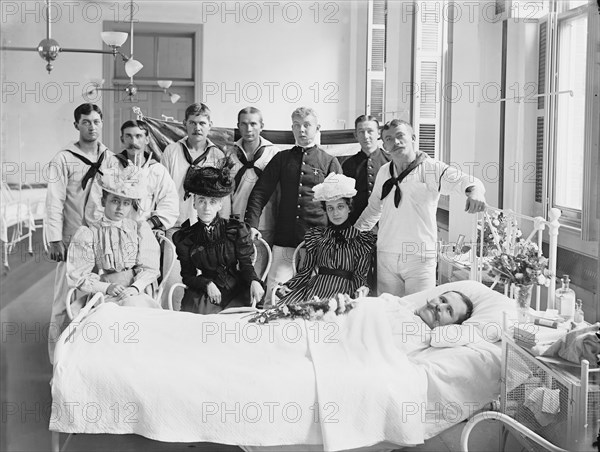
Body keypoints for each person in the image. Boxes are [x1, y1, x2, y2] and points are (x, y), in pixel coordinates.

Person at [354, 119, 487, 297]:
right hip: (387, 254)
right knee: (388, 312)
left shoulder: (430, 168)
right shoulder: (385, 171)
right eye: (389, 139)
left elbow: (464, 180)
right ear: (384, 145)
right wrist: (351, 236)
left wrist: (475, 192)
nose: (396, 142)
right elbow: (373, 210)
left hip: (419, 257)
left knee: (419, 312)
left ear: (413, 137)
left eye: (400, 136)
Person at [245, 107, 342, 301]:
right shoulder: (281, 158)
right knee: (274, 296)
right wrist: (252, 224)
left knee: (316, 301)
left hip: (317, 243)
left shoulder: (329, 161)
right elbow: (260, 192)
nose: (302, 130)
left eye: (307, 125)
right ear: (292, 128)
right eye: (297, 126)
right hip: (285, 239)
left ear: (317, 128)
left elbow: (341, 205)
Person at [45, 103, 115, 363]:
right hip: (71, 238)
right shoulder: (63, 158)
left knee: (97, 296)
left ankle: (89, 357)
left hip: (101, 238)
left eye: (96, 121)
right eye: (86, 122)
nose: (92, 126)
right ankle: (57, 359)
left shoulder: (109, 158)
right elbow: (54, 201)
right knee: (63, 300)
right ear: (77, 125)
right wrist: (54, 239)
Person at [173, 159, 265, 314]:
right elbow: (188, 276)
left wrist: (254, 281)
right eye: (201, 201)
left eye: (212, 202)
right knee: (197, 316)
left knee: (240, 317)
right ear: (194, 204)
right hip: (208, 290)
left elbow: (245, 264)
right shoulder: (186, 237)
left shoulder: (235, 230)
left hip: (237, 288)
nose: (207, 207)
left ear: (220, 205)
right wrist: (207, 284)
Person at [66, 166, 161, 316]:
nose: (120, 208)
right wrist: (106, 287)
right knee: (109, 315)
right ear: (104, 201)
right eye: (115, 201)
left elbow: (150, 268)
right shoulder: (90, 232)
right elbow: (78, 275)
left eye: (126, 203)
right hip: (105, 294)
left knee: (135, 308)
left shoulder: (138, 228)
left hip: (136, 291)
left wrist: (135, 288)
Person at [161, 103, 229, 309]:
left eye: (202, 123)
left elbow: (223, 196)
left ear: (210, 126)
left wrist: (221, 228)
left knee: (203, 283)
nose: (197, 128)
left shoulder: (217, 155)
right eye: (192, 122)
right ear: (184, 124)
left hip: (206, 230)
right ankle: (168, 324)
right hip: (177, 226)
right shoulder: (172, 151)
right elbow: (161, 189)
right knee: (172, 282)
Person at [275, 173, 376, 305]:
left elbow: (360, 275)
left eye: (340, 207)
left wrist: (361, 290)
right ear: (326, 211)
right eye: (330, 208)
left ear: (349, 208)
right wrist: (288, 286)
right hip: (315, 289)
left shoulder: (361, 239)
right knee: (287, 312)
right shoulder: (317, 235)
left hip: (343, 293)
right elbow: (306, 270)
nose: (335, 213)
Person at [85, 119, 179, 232]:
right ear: (122, 139)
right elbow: (96, 199)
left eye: (138, 136)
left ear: (147, 139)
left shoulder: (157, 171)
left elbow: (169, 204)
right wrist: (108, 229)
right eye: (128, 136)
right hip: (112, 231)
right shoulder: (110, 164)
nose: (133, 141)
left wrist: (147, 226)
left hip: (145, 232)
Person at [230, 107, 281, 246]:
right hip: (234, 223)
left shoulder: (275, 154)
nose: (248, 129)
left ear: (261, 126)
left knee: (261, 267)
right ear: (238, 126)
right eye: (244, 124)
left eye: (253, 124)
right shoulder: (229, 154)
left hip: (264, 224)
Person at [342, 115, 390, 225]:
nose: (366, 136)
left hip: (386, 225)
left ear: (378, 133)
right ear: (356, 135)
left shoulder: (390, 162)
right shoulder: (348, 164)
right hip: (357, 225)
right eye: (361, 132)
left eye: (370, 131)